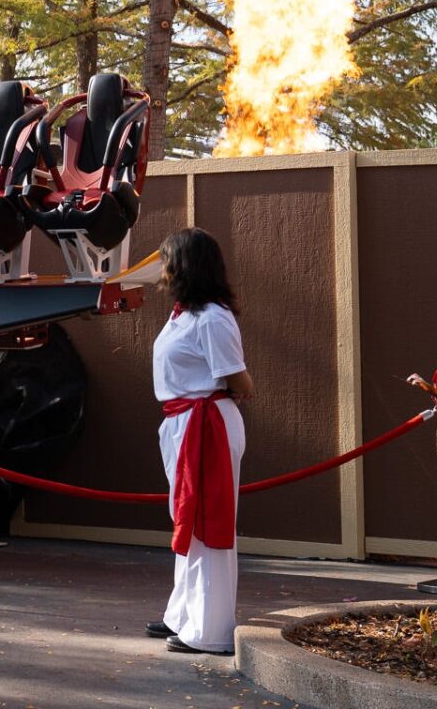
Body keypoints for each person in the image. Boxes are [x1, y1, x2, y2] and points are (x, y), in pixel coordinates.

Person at [147, 227, 254, 656]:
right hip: (183, 423)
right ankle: (184, 615)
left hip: (205, 424)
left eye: (168, 260)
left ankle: (210, 631)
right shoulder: (183, 313)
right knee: (188, 522)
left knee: (208, 526)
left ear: (186, 266)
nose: (163, 269)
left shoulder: (212, 316)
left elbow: (241, 381)